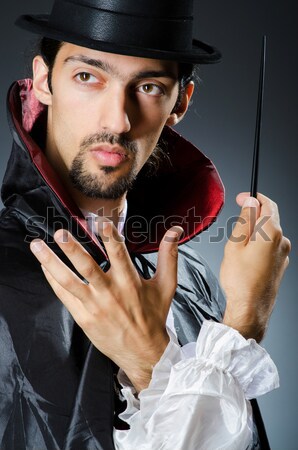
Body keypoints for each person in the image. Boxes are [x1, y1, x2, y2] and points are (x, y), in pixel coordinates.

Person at [0, 0, 290, 449]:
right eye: (87, 77)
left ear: (180, 103)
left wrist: (241, 323)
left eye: (150, 86)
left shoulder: (192, 278)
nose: (117, 120)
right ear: (43, 81)